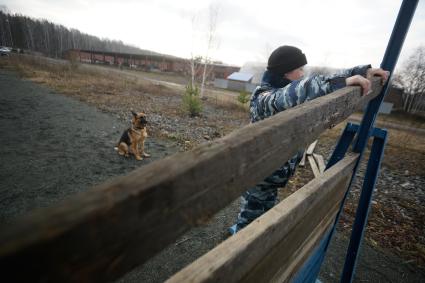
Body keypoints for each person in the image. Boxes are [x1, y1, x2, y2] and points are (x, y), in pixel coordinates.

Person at [229, 45, 389, 234]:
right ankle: (240, 239)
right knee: (250, 217)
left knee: (265, 211)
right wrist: (339, 82)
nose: (303, 73)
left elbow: (305, 86)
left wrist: (360, 72)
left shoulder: (289, 89)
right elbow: (296, 92)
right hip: (258, 173)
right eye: (300, 69)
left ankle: (251, 235)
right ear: (286, 72)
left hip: (274, 174)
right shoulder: (263, 97)